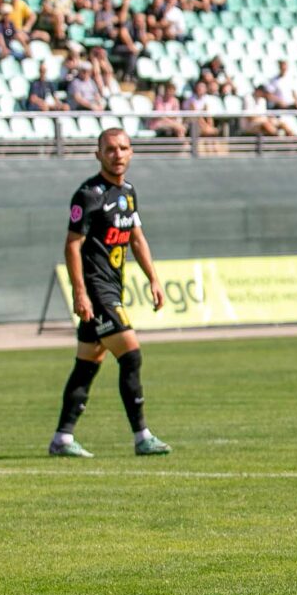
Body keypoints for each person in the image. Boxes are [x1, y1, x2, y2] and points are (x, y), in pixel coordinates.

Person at [49, 129, 172, 458]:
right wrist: (80, 292)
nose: (117, 154)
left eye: (123, 148)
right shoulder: (88, 194)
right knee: (130, 354)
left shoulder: (128, 192)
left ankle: (62, 438)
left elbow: (136, 237)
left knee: (87, 362)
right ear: (98, 154)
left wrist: (154, 279)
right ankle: (141, 436)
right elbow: (72, 245)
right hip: (98, 290)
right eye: (110, 149)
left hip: (113, 286)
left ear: (131, 152)